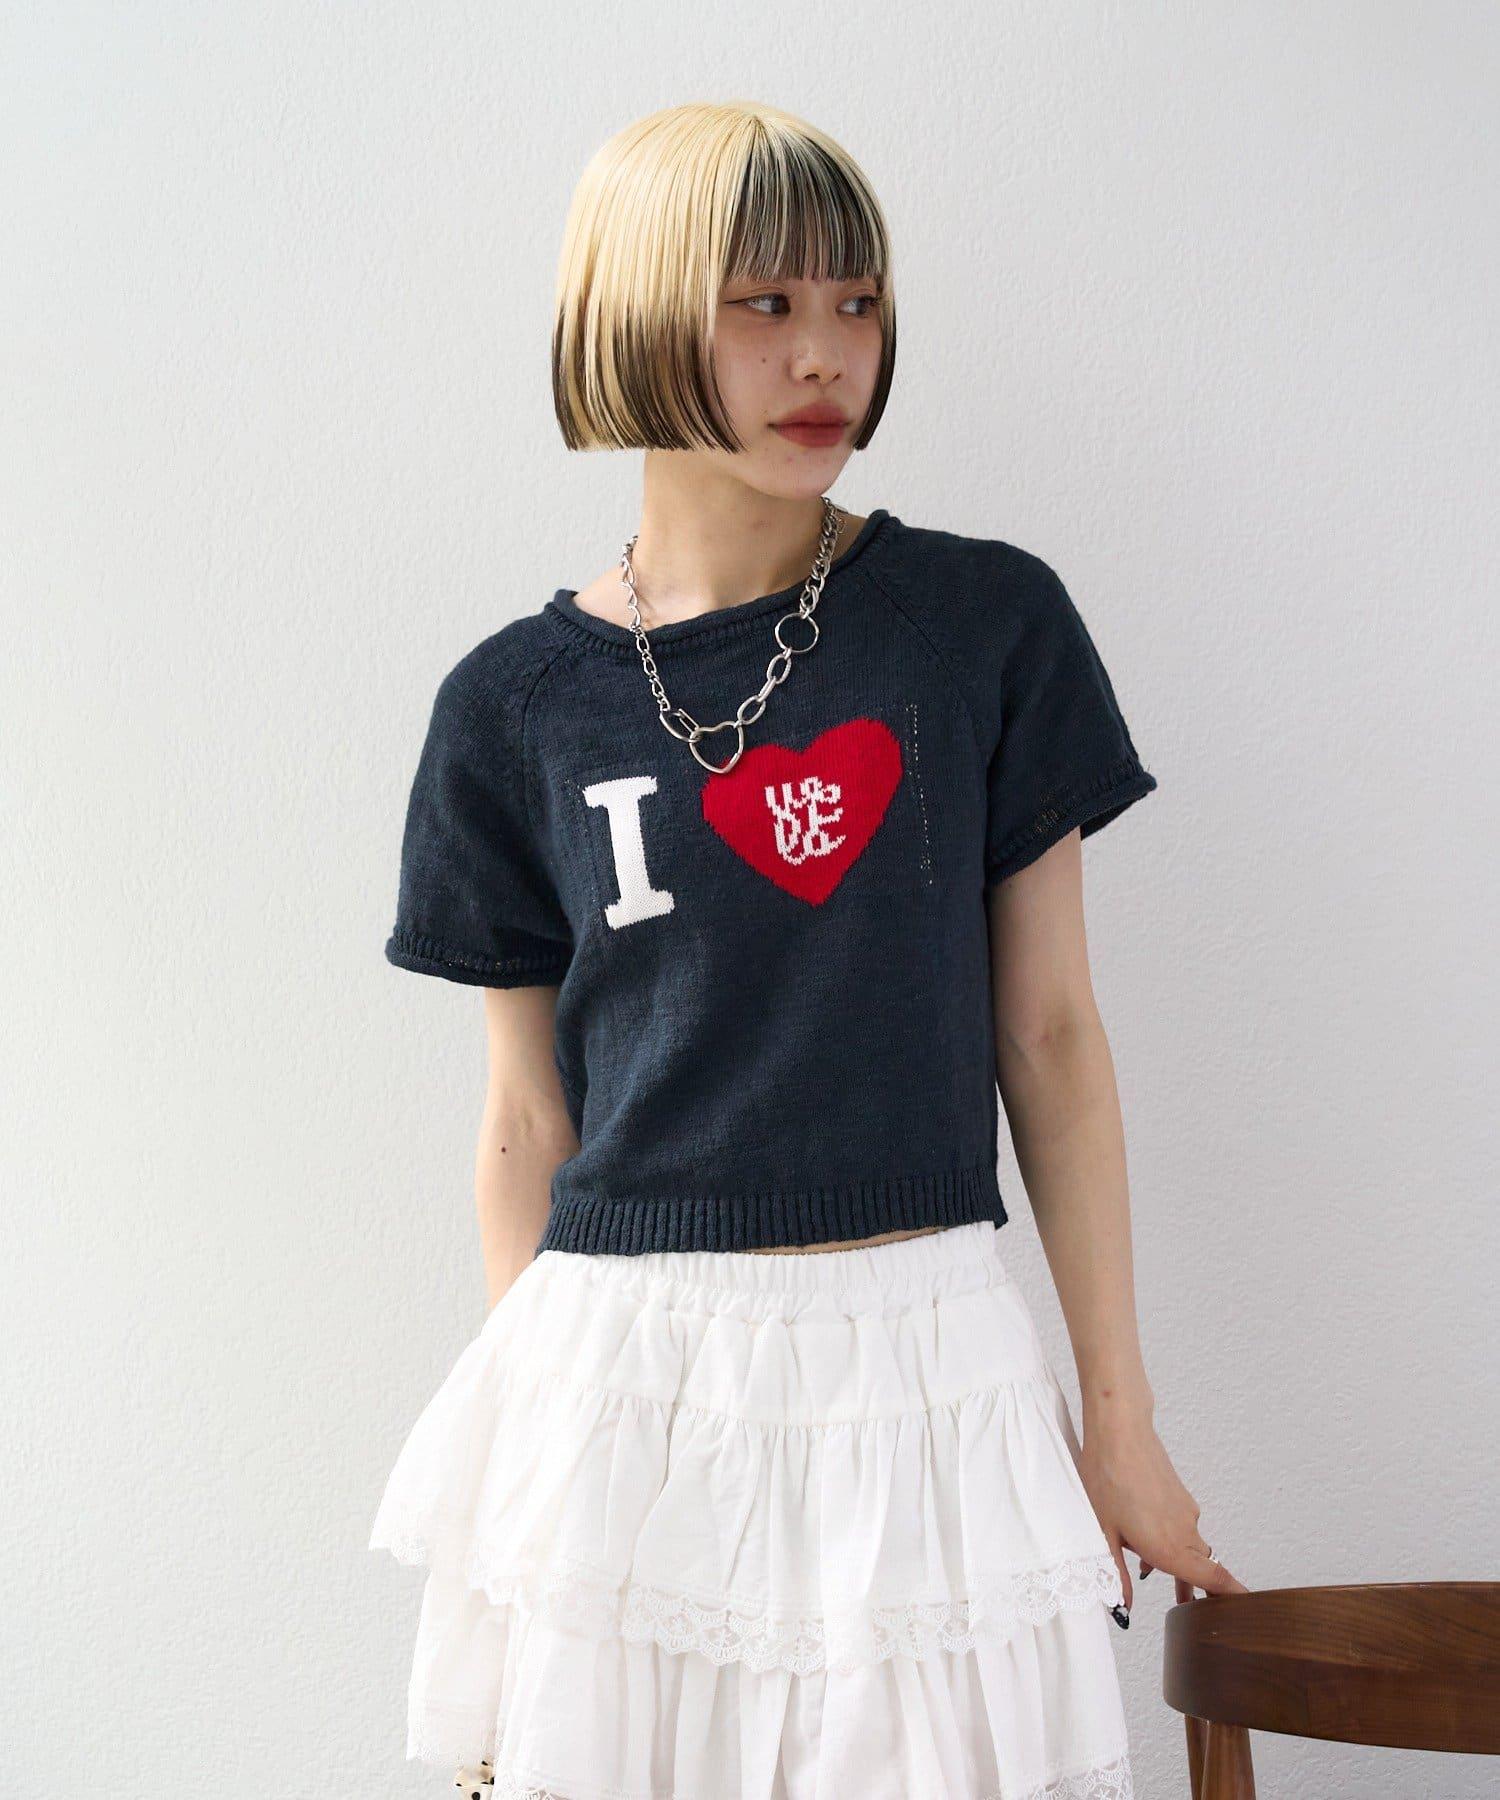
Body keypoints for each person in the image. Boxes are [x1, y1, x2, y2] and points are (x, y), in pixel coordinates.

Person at [369, 99, 1247, 1800]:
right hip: (623, 1372)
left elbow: (1052, 1038)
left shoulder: (979, 624)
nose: (825, 355)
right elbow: (525, 1118)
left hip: (927, 1356)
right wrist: (525, 1466)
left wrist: (1118, 1424)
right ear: (635, 317)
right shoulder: (511, 705)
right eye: (763, 306)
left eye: (856, 303)